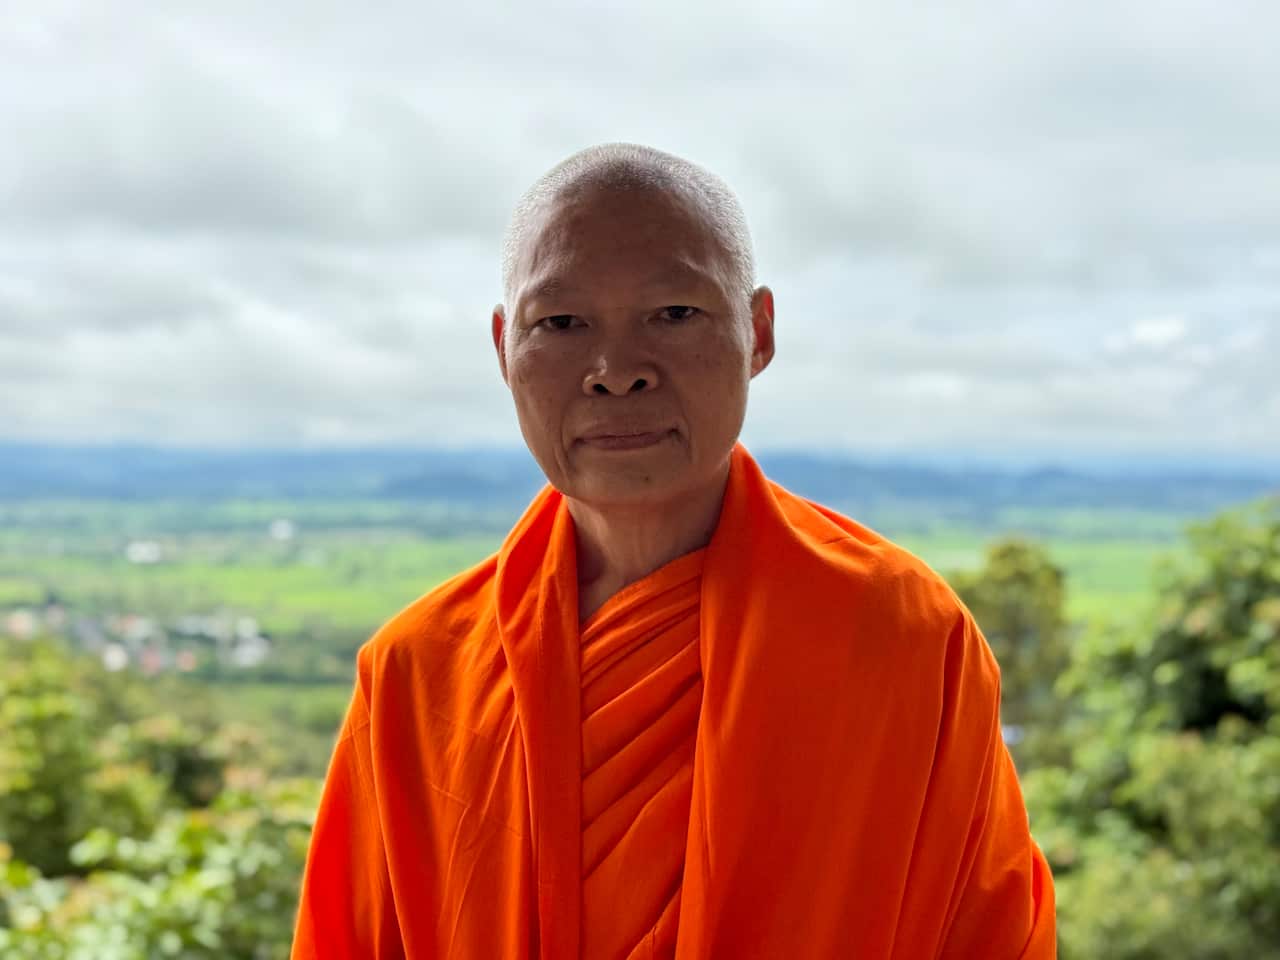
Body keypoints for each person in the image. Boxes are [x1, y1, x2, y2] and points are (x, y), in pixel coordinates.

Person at [291, 142, 1056, 959]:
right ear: (503, 349)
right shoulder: (416, 674)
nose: (616, 372)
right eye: (561, 323)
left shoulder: (899, 635)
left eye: (675, 313)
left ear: (758, 333)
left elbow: (989, 936)